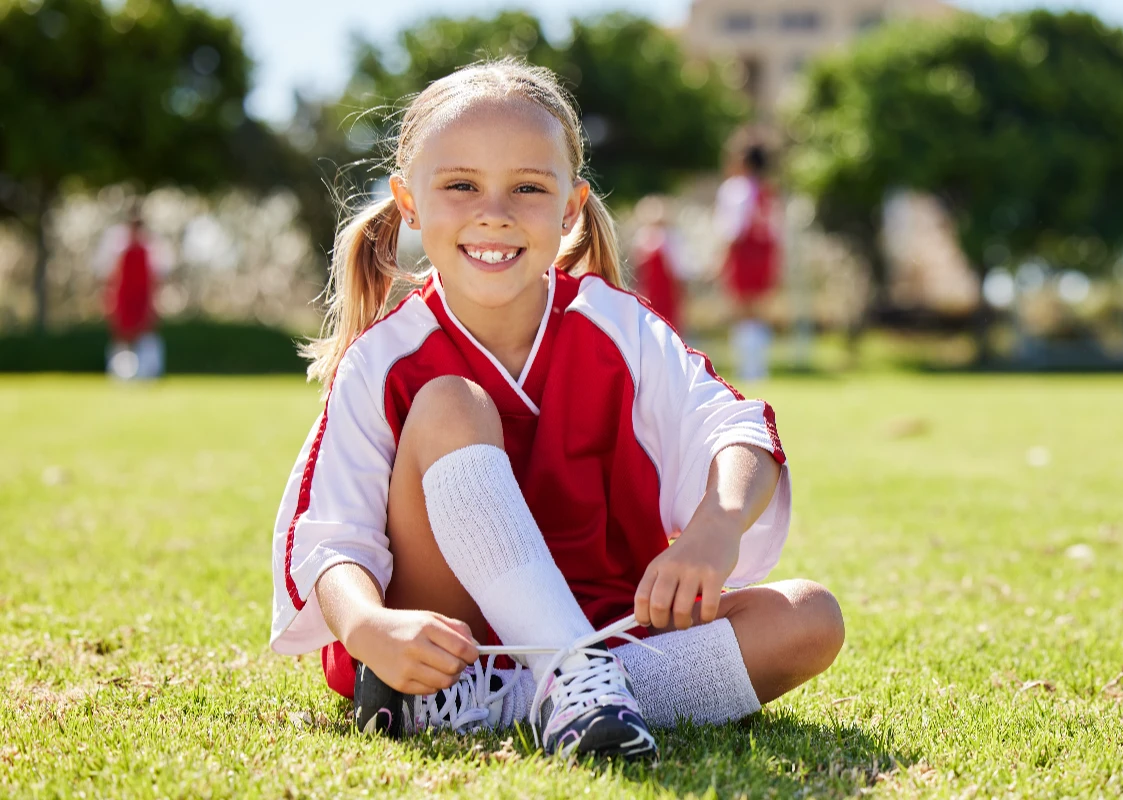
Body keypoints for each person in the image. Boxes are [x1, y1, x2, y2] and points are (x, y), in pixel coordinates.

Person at [269, 59, 843, 762]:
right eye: (460, 186)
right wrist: (365, 629)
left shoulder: (618, 327)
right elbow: (331, 536)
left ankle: (543, 696)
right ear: (408, 202)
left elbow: (735, 429)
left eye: (528, 188)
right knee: (451, 403)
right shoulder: (386, 357)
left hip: (608, 628)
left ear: (571, 207)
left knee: (810, 616)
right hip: (452, 643)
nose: (494, 212)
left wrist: (714, 531)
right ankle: (559, 683)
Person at [716, 140, 782, 382]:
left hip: (744, 255)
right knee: (758, 312)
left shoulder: (737, 189)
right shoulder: (768, 191)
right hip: (764, 255)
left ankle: (748, 369)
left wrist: (722, 261)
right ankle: (759, 367)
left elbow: (732, 230)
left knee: (743, 312)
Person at [103, 208, 163, 380]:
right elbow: (114, 278)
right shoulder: (120, 251)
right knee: (122, 337)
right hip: (125, 299)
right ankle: (119, 372)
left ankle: (149, 371)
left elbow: (153, 279)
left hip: (142, 299)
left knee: (145, 335)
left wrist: (153, 304)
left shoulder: (148, 251)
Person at [630, 195, 687, 332]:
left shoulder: (669, 237)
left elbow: (677, 267)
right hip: (650, 291)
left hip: (665, 291)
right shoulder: (642, 236)